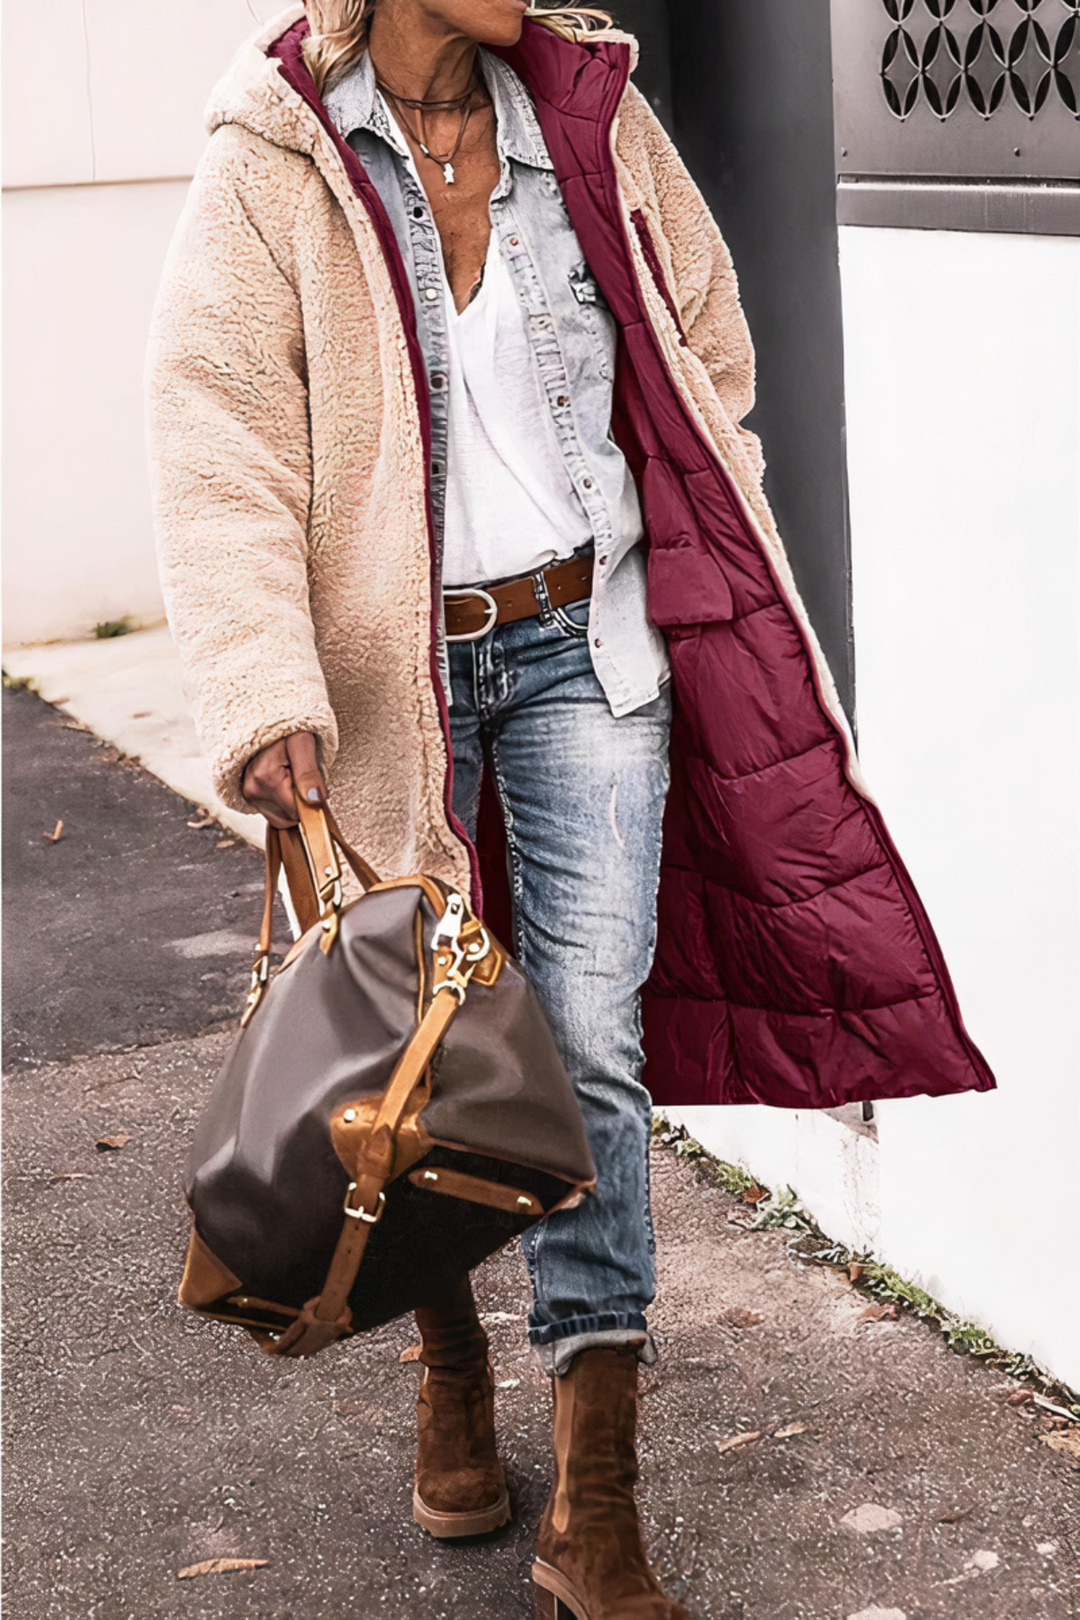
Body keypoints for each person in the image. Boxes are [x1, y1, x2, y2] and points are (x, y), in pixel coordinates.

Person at [148, 2, 994, 1614]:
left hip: (586, 650)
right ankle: (451, 1369)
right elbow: (219, 426)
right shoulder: (275, 150)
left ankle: (596, 1491)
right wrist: (263, 681)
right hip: (394, 678)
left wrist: (697, 518)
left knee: (588, 1049)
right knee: (421, 1048)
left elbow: (707, 338)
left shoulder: (589, 113)